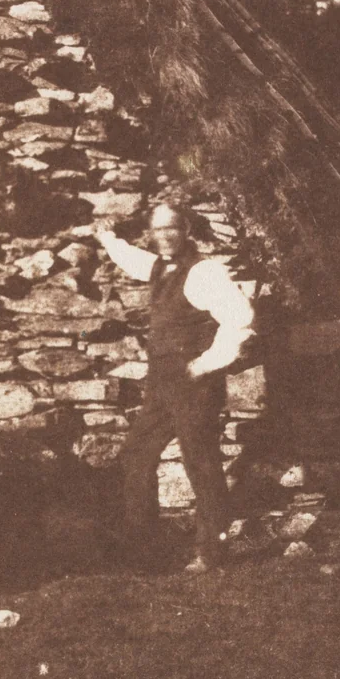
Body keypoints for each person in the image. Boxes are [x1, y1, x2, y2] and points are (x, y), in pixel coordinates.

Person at [96, 203, 255, 573]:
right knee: (136, 455)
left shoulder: (205, 272)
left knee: (200, 461)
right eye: (158, 229)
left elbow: (241, 320)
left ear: (187, 230)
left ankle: (212, 551)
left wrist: (205, 364)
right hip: (161, 385)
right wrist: (106, 236)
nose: (165, 236)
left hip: (194, 384)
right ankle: (144, 550)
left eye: (172, 228)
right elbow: (131, 259)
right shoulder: (156, 267)